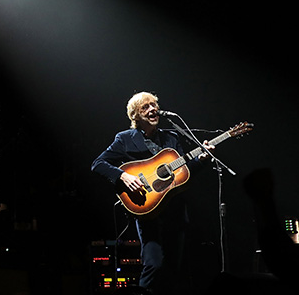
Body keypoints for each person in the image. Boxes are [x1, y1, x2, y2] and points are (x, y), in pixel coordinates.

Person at [91, 91, 214, 295]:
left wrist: (201, 160)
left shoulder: (171, 137)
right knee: (154, 264)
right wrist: (123, 176)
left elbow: (183, 172)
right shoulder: (124, 139)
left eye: (154, 105)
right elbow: (98, 164)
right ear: (135, 115)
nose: (152, 109)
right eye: (145, 107)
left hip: (175, 209)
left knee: (174, 267)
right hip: (148, 210)